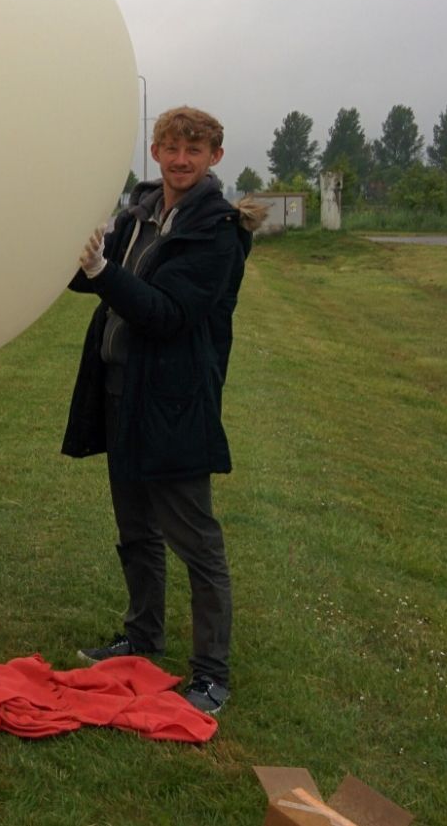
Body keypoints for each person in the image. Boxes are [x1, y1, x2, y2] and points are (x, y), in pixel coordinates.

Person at [62, 105, 264, 716]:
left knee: (195, 540)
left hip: (174, 401)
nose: (181, 160)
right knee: (135, 530)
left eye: (194, 151)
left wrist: (102, 269)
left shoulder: (217, 230)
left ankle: (211, 673)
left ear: (214, 159)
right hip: (123, 389)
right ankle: (143, 637)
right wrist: (69, 243)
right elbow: (91, 281)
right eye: (172, 147)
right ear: (156, 150)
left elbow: (165, 312)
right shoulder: (144, 210)